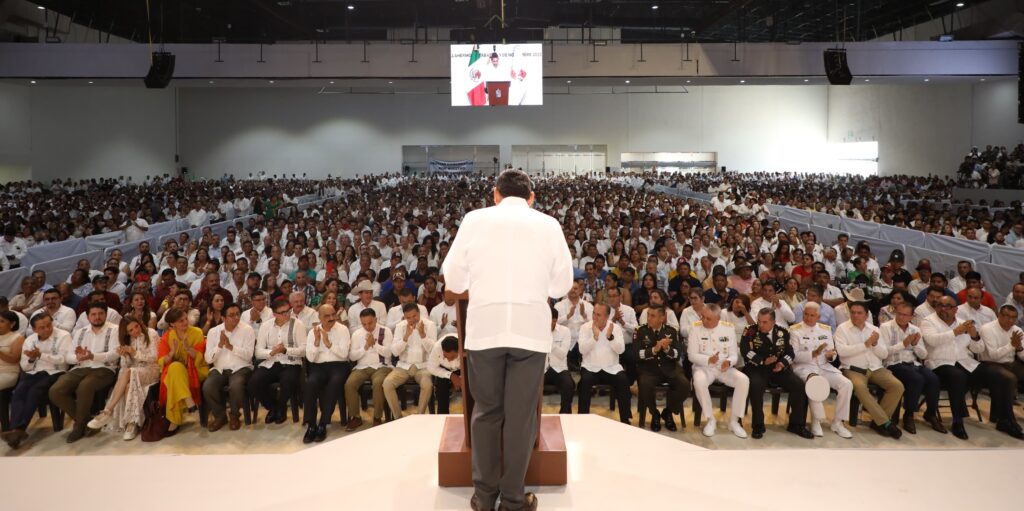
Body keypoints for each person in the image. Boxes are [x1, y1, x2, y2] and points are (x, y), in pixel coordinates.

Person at [442, 170, 573, 511]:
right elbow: (562, 285)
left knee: (486, 412)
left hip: (485, 329)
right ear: (532, 197)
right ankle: (513, 499)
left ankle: (484, 497)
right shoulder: (549, 225)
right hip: (530, 332)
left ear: (495, 194)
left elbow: (453, 277)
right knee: (520, 417)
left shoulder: (474, 220)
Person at [919, 296, 991, 440]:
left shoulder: (963, 323)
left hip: (964, 361)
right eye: (939, 305)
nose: (942, 309)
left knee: (999, 375)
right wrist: (956, 332)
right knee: (958, 377)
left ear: (955, 309)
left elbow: (978, 349)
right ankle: (958, 421)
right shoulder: (928, 321)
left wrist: (974, 336)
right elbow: (932, 341)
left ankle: (1005, 419)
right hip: (939, 362)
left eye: (947, 306)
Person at [48, 303, 119, 443]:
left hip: (104, 368)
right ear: (87, 316)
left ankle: (79, 426)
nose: (97, 317)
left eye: (100, 314)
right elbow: (69, 356)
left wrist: (93, 356)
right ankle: (86, 421)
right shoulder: (80, 332)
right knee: (55, 391)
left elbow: (114, 354)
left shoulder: (114, 330)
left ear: (106, 314)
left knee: (85, 386)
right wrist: (78, 358)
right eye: (93, 314)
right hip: (81, 367)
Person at [835, 301, 905, 439]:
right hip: (853, 369)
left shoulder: (874, 329)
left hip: (875, 368)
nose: (855, 315)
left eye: (859, 313)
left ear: (866, 315)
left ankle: (878, 422)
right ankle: (886, 423)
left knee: (897, 386)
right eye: (853, 312)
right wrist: (865, 344)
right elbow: (842, 351)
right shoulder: (842, 329)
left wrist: (875, 344)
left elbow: (884, 354)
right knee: (860, 388)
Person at [741, 308, 812, 439]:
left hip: (777, 368)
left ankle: (796, 424)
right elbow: (745, 351)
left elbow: (790, 353)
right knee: (755, 386)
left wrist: (782, 363)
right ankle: (758, 425)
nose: (760, 325)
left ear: (773, 322)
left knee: (799, 386)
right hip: (757, 368)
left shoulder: (783, 332)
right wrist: (762, 361)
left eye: (765, 322)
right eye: (759, 321)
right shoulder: (750, 331)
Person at [2, 313, 70, 449]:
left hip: (55, 372)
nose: (47, 329)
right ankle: (15, 430)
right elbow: (25, 366)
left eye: (49, 325)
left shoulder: (64, 335)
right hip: (33, 372)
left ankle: (19, 429)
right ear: (34, 329)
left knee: (35, 391)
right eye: (42, 328)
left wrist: (41, 355)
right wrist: (32, 359)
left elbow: (64, 361)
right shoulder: (30, 340)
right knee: (19, 391)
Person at [85, 317, 159, 440]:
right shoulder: (127, 340)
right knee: (128, 381)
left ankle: (107, 411)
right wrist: (125, 356)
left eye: (136, 326)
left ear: (140, 323)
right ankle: (131, 424)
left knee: (129, 372)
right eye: (131, 330)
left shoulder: (151, 333)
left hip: (152, 369)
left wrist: (135, 353)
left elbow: (155, 357)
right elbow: (126, 366)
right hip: (134, 372)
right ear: (126, 332)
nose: (135, 331)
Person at [788, 303, 854, 439]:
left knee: (846, 384)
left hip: (824, 367)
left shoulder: (825, 330)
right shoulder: (795, 330)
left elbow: (832, 353)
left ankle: (838, 423)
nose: (808, 318)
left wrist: (831, 356)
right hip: (804, 367)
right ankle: (816, 421)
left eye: (812, 315)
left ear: (818, 317)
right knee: (815, 381)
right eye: (806, 314)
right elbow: (794, 356)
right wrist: (813, 353)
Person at [880, 302, 946, 435]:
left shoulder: (915, 329)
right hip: (893, 363)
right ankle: (909, 415)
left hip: (913, 363)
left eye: (905, 315)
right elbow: (884, 352)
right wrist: (903, 344)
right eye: (899, 314)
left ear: (911, 317)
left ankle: (931, 414)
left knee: (933, 379)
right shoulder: (885, 327)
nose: (901, 317)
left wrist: (915, 345)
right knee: (916, 379)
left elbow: (923, 355)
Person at [687, 304, 749, 438]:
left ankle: (734, 421)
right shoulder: (695, 327)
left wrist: (729, 362)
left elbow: (734, 354)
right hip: (704, 367)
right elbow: (691, 355)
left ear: (718, 318)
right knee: (699, 381)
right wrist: (708, 359)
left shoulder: (728, 328)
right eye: (703, 317)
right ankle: (710, 420)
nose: (704, 320)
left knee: (743, 380)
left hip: (723, 368)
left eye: (708, 318)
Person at [250, 298, 306, 424]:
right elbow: (258, 352)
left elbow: (303, 350)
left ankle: (281, 408)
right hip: (271, 362)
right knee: (254, 383)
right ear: (275, 314)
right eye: (283, 313)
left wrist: (286, 350)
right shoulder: (266, 326)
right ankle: (273, 407)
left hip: (291, 363)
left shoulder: (298, 324)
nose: (287, 314)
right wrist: (271, 352)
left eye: (288, 311)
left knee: (288, 380)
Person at [202, 303, 256, 432]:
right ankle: (220, 416)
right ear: (223, 318)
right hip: (220, 369)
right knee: (208, 386)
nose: (236, 317)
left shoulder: (247, 330)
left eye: (237, 314)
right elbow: (208, 359)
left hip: (241, 367)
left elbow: (249, 355)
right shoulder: (213, 332)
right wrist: (220, 345)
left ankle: (234, 415)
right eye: (231, 315)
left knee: (236, 385)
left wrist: (231, 347)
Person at [634, 305, 689, 432]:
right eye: (648, 315)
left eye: (652, 316)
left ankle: (668, 412)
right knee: (645, 384)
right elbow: (636, 355)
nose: (649, 318)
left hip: (670, 368)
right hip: (649, 369)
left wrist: (667, 349)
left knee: (685, 385)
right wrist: (654, 350)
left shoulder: (671, 331)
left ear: (662, 318)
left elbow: (677, 355)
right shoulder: (640, 331)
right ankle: (655, 414)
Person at [302, 304, 351, 443]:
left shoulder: (343, 330)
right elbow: (311, 358)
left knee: (334, 383)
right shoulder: (313, 332)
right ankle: (311, 425)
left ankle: (323, 423)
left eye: (333, 314)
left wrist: (329, 344)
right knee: (310, 384)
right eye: (327, 316)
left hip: (339, 366)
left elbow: (344, 354)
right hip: (319, 366)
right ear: (319, 318)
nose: (331, 318)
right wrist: (317, 342)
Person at [157, 307, 209, 433]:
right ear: (172, 324)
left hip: (195, 370)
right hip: (177, 373)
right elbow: (162, 361)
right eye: (181, 321)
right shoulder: (167, 337)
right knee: (175, 368)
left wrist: (188, 348)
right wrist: (172, 353)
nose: (185, 322)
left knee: (174, 377)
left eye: (186, 318)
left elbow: (201, 358)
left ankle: (174, 420)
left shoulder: (197, 332)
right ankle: (188, 400)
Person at [577, 303, 630, 424]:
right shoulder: (585, 327)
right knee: (584, 383)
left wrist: (610, 337)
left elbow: (621, 350)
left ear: (607, 317)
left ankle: (625, 419)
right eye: (593, 314)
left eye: (598, 315)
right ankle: (582, 419)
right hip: (590, 367)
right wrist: (594, 338)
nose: (594, 317)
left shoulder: (615, 328)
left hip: (611, 368)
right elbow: (582, 350)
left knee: (623, 381)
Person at [976, 306, 1024, 438]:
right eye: (1007, 316)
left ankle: (1002, 417)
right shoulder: (987, 329)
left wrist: (1019, 348)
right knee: (1009, 378)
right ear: (999, 316)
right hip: (989, 365)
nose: (1010, 320)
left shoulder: (1017, 330)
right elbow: (993, 355)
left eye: (1013, 318)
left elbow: (1022, 356)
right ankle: (1007, 421)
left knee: (1012, 374)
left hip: (1010, 363)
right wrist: (1011, 345)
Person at [383, 302, 436, 419]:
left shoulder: (430, 325)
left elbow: (433, 350)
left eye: (414, 316)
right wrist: (405, 337)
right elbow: (394, 352)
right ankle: (398, 418)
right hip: (403, 366)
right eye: (408, 317)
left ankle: (419, 417)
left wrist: (423, 335)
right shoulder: (400, 326)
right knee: (387, 384)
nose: (412, 320)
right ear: (404, 317)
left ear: (419, 313)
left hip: (423, 367)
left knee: (427, 385)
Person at [343, 308, 394, 430]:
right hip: (362, 367)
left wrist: (374, 345)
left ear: (375, 319)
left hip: (381, 366)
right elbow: (352, 356)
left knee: (378, 383)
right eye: (364, 324)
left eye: (370, 323)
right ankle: (355, 417)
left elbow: (389, 353)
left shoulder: (385, 331)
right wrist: (365, 347)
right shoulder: (356, 334)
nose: (367, 326)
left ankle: (377, 417)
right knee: (349, 384)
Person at [543, 306, 575, 414]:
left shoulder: (565, 331)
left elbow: (562, 354)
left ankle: (565, 415)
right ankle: (534, 416)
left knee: (568, 384)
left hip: (560, 369)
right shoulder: (538, 331)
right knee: (530, 383)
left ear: (554, 320)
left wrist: (549, 341)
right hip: (542, 370)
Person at [427, 334, 462, 414]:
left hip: (462, 368)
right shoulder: (437, 348)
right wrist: (451, 376)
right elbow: (431, 367)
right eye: (445, 356)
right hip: (444, 369)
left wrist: (461, 378)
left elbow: (471, 365)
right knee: (441, 390)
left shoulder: (464, 346)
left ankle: (469, 415)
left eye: (452, 357)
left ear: (459, 350)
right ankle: (442, 415)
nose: (449, 360)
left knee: (469, 386)